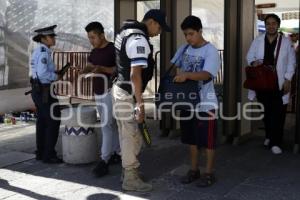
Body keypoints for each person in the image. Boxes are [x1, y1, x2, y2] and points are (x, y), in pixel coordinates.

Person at [112, 9, 171, 192]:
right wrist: (140, 104)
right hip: (127, 94)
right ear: (152, 22)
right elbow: (135, 75)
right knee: (132, 136)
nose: (158, 33)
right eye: (159, 28)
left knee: (126, 134)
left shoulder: (125, 32)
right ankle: (130, 178)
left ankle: (128, 172)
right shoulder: (139, 40)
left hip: (119, 90)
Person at [171, 15, 220, 187]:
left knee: (207, 141)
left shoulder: (211, 51)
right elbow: (174, 68)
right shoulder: (184, 49)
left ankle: (208, 173)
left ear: (200, 31)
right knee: (191, 140)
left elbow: (207, 74)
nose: (188, 38)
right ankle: (194, 170)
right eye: (185, 34)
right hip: (187, 102)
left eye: (191, 34)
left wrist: (186, 75)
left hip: (206, 103)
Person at [246, 14, 296, 154]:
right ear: (266, 25)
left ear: (278, 25)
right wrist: (253, 62)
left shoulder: (286, 42)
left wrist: (287, 79)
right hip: (262, 83)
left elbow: (291, 62)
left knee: (278, 113)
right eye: (268, 23)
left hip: (278, 82)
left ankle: (276, 142)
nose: (271, 26)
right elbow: (249, 56)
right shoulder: (258, 40)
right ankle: (269, 136)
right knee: (266, 111)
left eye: (274, 23)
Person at [81, 22, 121, 177]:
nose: (91, 40)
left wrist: (102, 69)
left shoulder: (112, 49)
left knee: (106, 125)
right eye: (89, 38)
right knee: (111, 125)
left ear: (102, 35)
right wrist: (84, 71)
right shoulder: (94, 51)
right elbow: (90, 65)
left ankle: (104, 159)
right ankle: (117, 152)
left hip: (109, 91)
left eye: (93, 37)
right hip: (98, 92)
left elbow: (118, 70)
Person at [30, 25, 62, 164]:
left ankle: (41, 152)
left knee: (42, 122)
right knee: (53, 121)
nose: (53, 38)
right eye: (51, 36)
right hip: (44, 91)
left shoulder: (40, 50)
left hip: (39, 90)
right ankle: (49, 154)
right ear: (43, 38)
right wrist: (56, 77)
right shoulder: (43, 52)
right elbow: (43, 74)